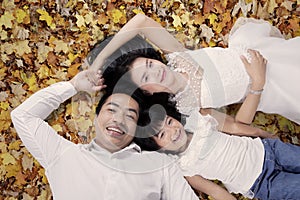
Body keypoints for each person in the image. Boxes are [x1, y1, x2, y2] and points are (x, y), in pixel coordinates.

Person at [10, 69, 200, 200]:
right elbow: (23, 116)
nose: (118, 119)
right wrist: (73, 86)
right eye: (112, 110)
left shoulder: (160, 166)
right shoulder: (62, 155)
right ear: (96, 117)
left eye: (130, 115)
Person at [88, 14, 300, 125]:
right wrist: (257, 83)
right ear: (146, 91)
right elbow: (238, 124)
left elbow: (142, 22)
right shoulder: (187, 107)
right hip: (268, 88)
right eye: (146, 76)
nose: (156, 70)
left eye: (151, 64)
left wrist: (102, 59)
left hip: (266, 54)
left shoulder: (177, 56)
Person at [134, 103, 300, 200]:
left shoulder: (199, 122)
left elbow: (235, 128)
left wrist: (264, 135)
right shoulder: (184, 166)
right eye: (163, 134)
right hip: (262, 182)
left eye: (170, 122)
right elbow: (214, 190)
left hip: (267, 150)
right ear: (158, 148)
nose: (172, 131)